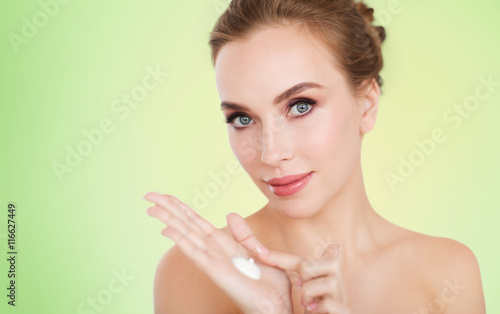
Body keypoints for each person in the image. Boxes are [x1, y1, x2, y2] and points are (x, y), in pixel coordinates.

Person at [144, 0, 486, 312]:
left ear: (366, 105)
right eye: (242, 119)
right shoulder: (192, 275)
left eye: (300, 106)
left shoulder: (447, 273)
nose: (272, 153)